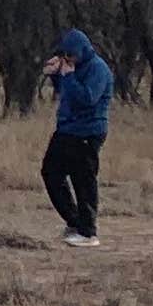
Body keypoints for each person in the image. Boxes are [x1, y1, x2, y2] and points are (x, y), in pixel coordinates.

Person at [41, 29, 113, 246]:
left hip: (88, 133)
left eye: (71, 54)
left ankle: (88, 232)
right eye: (65, 55)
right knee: (51, 173)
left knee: (83, 180)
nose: (68, 59)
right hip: (66, 130)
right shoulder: (71, 68)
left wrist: (70, 75)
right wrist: (54, 73)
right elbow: (66, 93)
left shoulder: (98, 69)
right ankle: (74, 222)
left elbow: (87, 99)